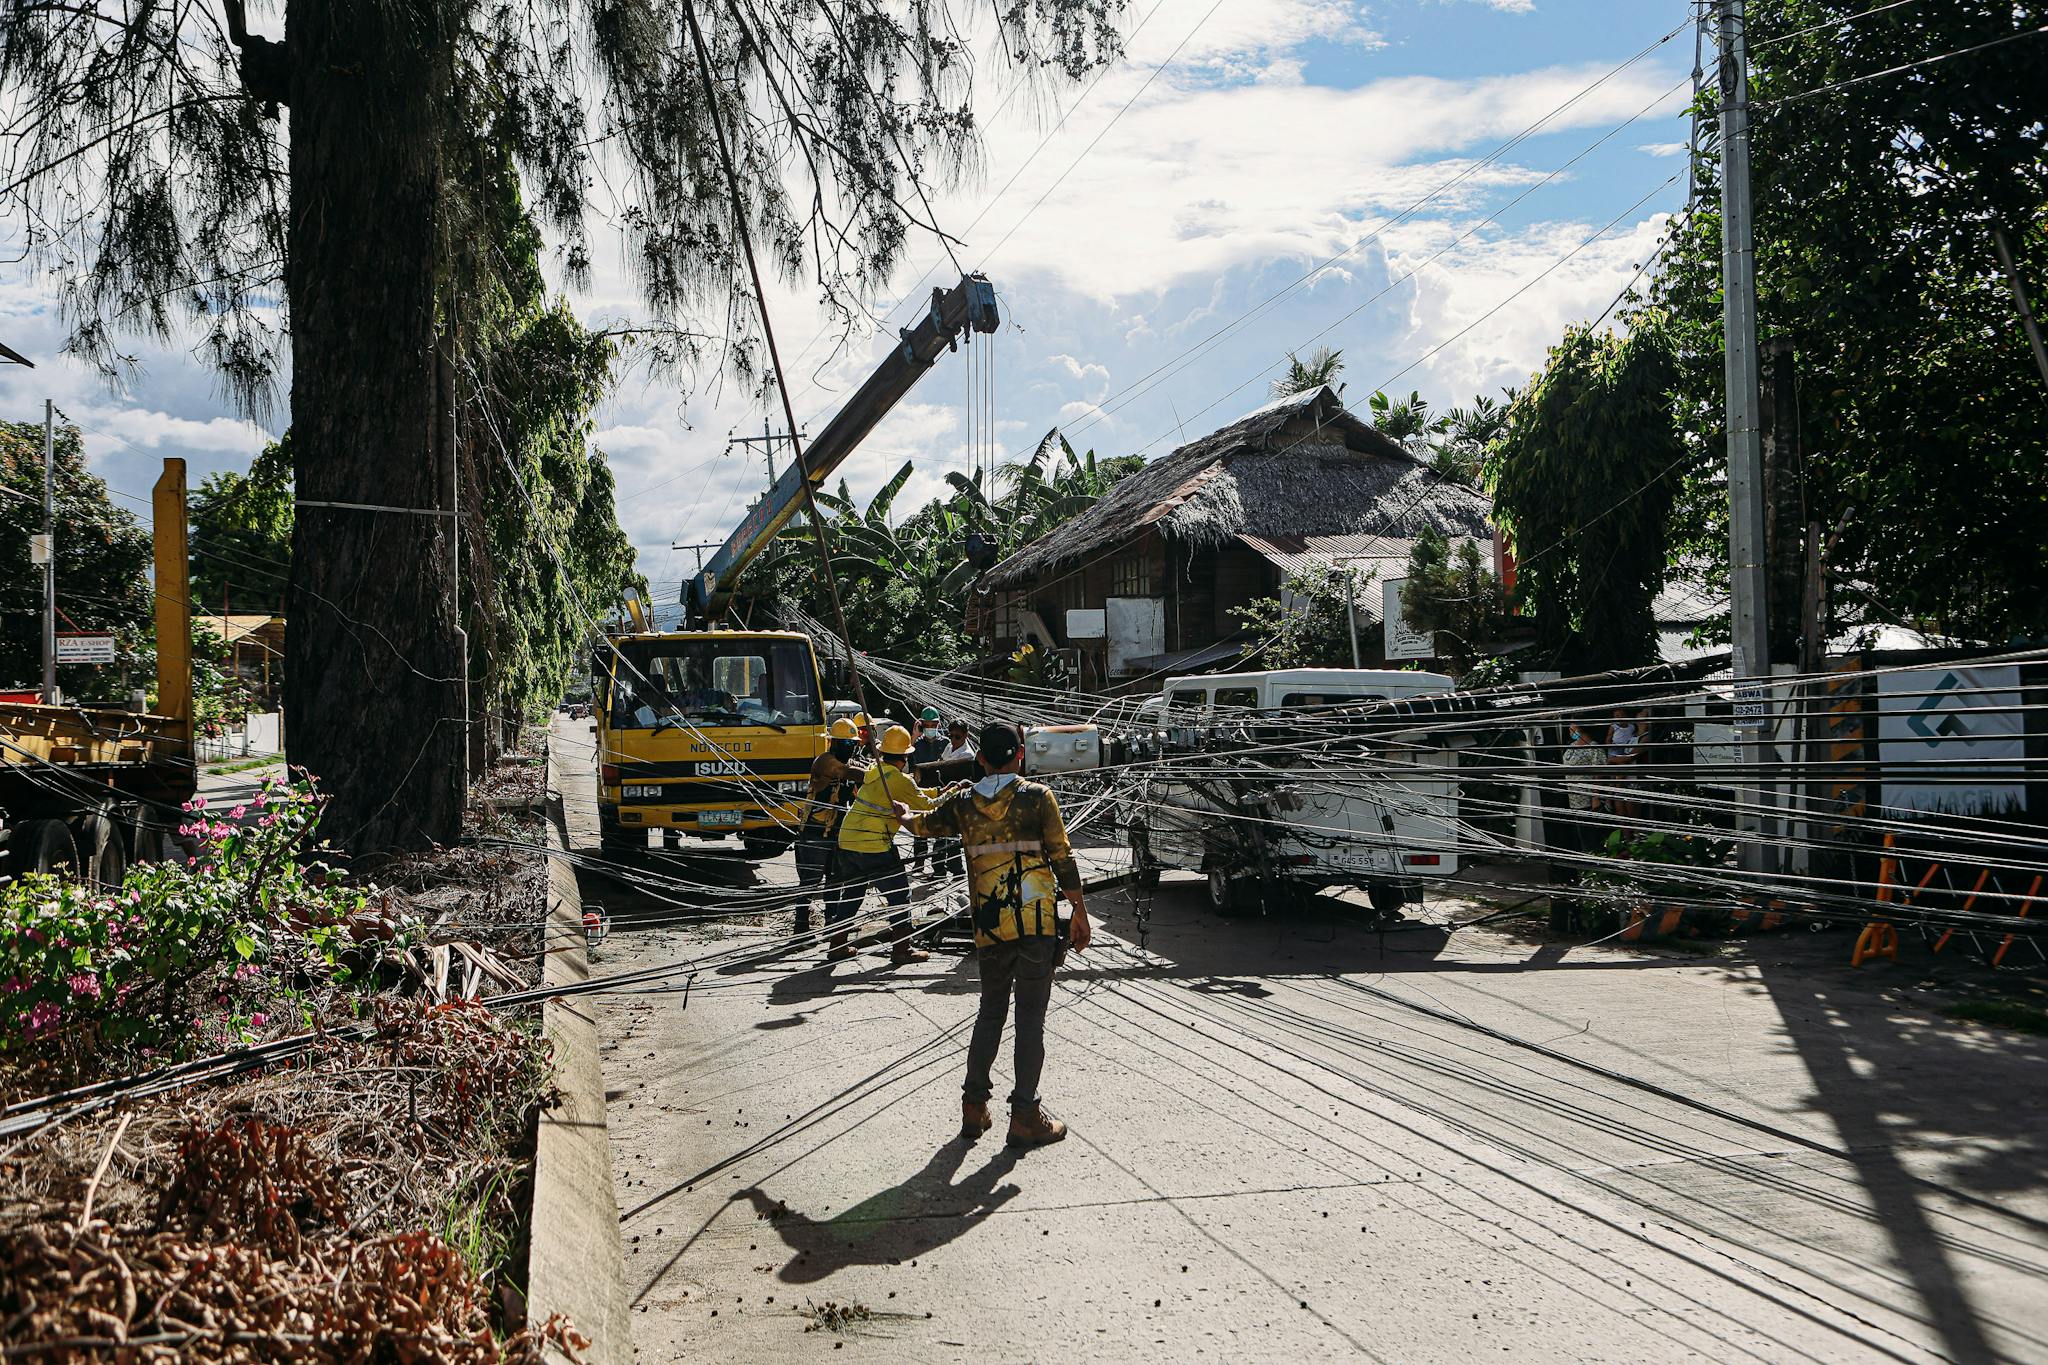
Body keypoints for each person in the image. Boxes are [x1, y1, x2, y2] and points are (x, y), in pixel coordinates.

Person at [897, 721, 1090, 1148]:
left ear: (980, 758)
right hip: (1036, 925)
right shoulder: (1038, 798)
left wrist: (904, 815)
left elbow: (921, 825)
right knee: (1030, 1021)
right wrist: (1078, 910)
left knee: (990, 1013)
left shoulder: (964, 804)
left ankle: (974, 1107)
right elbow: (1062, 856)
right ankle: (1024, 1117)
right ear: (1020, 755)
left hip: (988, 926)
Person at [831, 724, 938, 965]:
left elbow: (916, 792)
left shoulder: (875, 771)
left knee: (852, 893)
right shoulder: (899, 780)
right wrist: (954, 795)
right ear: (904, 757)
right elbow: (926, 805)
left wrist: (942, 790)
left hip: (848, 839)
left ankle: (837, 945)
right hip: (874, 845)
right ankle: (902, 948)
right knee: (900, 895)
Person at [796, 717, 864, 933]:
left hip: (835, 831)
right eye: (846, 744)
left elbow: (855, 770)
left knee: (834, 881)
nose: (850, 749)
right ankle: (801, 927)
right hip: (815, 832)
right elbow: (852, 773)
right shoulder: (825, 761)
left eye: (852, 745)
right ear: (833, 743)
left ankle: (831, 923)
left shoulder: (844, 762)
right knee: (810, 883)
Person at [909, 707, 949, 872]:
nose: (930, 728)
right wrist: (913, 737)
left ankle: (939, 868)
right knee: (920, 829)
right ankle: (919, 862)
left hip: (940, 790)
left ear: (938, 724)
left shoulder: (946, 743)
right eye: (927, 725)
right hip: (921, 791)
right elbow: (904, 758)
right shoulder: (916, 744)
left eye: (933, 724)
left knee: (940, 831)